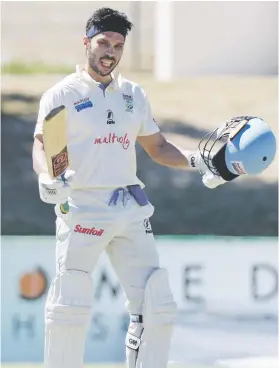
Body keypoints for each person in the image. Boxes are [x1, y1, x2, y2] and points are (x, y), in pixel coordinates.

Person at [32, 7, 224, 368]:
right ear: (86, 42)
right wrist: (46, 178)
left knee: (157, 307)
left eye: (118, 46)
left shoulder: (133, 94)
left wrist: (202, 160)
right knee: (68, 307)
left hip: (130, 209)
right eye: (103, 43)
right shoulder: (62, 94)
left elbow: (158, 148)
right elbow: (42, 145)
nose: (110, 53)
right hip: (83, 209)